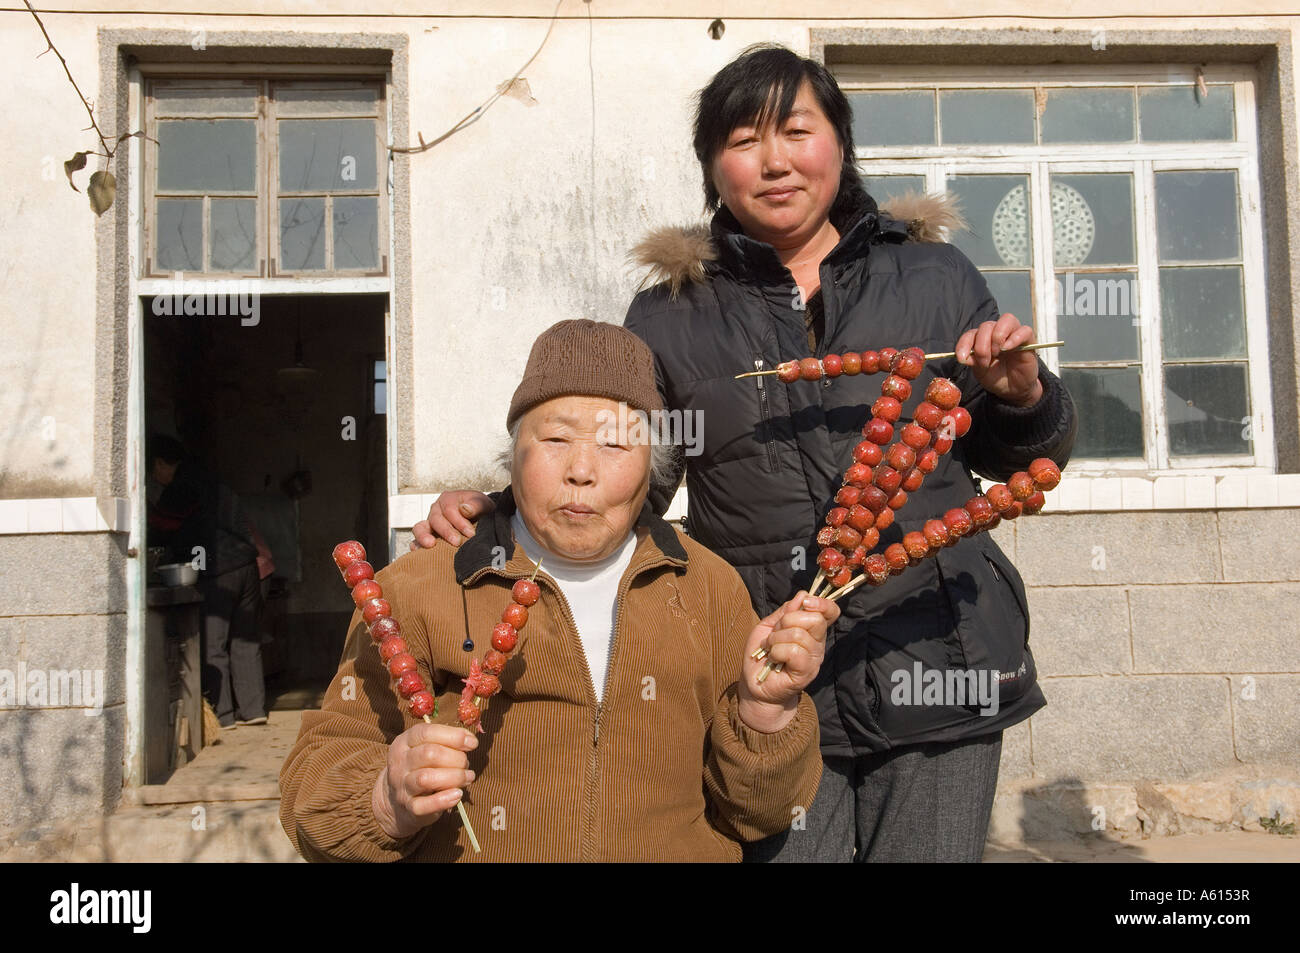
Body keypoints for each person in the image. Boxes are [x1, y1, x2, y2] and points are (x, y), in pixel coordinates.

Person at [411, 44, 1077, 862]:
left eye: (796, 131)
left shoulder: (933, 275)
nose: (774, 162)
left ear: (839, 141)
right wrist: (500, 515)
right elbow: (628, 477)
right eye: (742, 140)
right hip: (769, 670)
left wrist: (1022, 394)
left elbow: (1024, 464)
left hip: (941, 650)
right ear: (711, 167)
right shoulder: (669, 315)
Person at [280, 320, 835, 862]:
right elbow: (318, 791)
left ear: (653, 469)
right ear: (513, 454)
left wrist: (765, 712)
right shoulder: (422, 587)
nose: (581, 470)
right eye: (555, 438)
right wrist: (386, 799)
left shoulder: (707, 588)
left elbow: (762, 816)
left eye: (617, 444)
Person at [147, 434, 268, 729]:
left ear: (162, 463)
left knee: (213, 644)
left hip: (218, 571)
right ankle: (253, 710)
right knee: (245, 639)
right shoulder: (212, 480)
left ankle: (222, 716)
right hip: (247, 567)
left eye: (154, 470)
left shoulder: (181, 488)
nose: (155, 478)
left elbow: (161, 528)